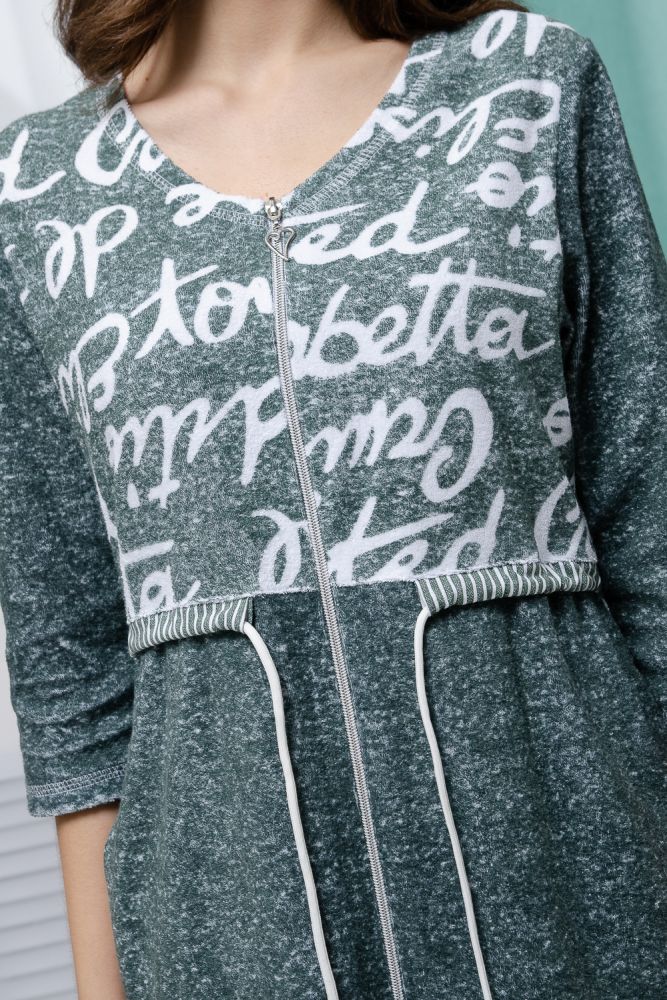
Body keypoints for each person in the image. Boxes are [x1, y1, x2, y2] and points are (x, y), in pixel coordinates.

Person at [0, 0, 665, 997]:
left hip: (580, 917)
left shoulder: (526, 86)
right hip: (226, 952)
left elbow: (650, 536)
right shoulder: (38, 189)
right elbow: (72, 680)